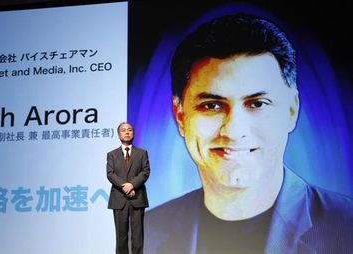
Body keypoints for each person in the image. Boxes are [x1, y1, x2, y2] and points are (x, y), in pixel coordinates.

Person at [144, 13, 353, 254]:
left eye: (257, 104)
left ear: (292, 109)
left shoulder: (346, 227)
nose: (233, 130)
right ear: (180, 116)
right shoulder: (141, 233)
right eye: (212, 105)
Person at [107, 122, 150, 254]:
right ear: (119, 134)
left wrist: (132, 185)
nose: (127, 132)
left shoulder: (142, 153)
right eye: (123, 130)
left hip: (137, 198)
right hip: (119, 199)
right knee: (121, 237)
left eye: (129, 130)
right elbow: (110, 174)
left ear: (133, 133)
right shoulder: (112, 154)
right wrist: (125, 187)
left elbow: (145, 172)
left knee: (137, 237)